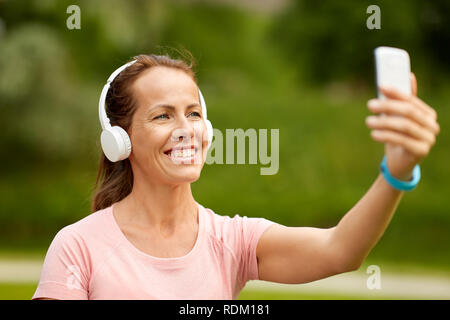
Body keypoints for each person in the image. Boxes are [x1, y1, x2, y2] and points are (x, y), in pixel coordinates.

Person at [32, 53, 440, 300]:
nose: (186, 129)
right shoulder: (78, 247)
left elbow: (341, 250)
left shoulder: (232, 241)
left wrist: (397, 171)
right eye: (162, 115)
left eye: (194, 113)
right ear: (120, 141)